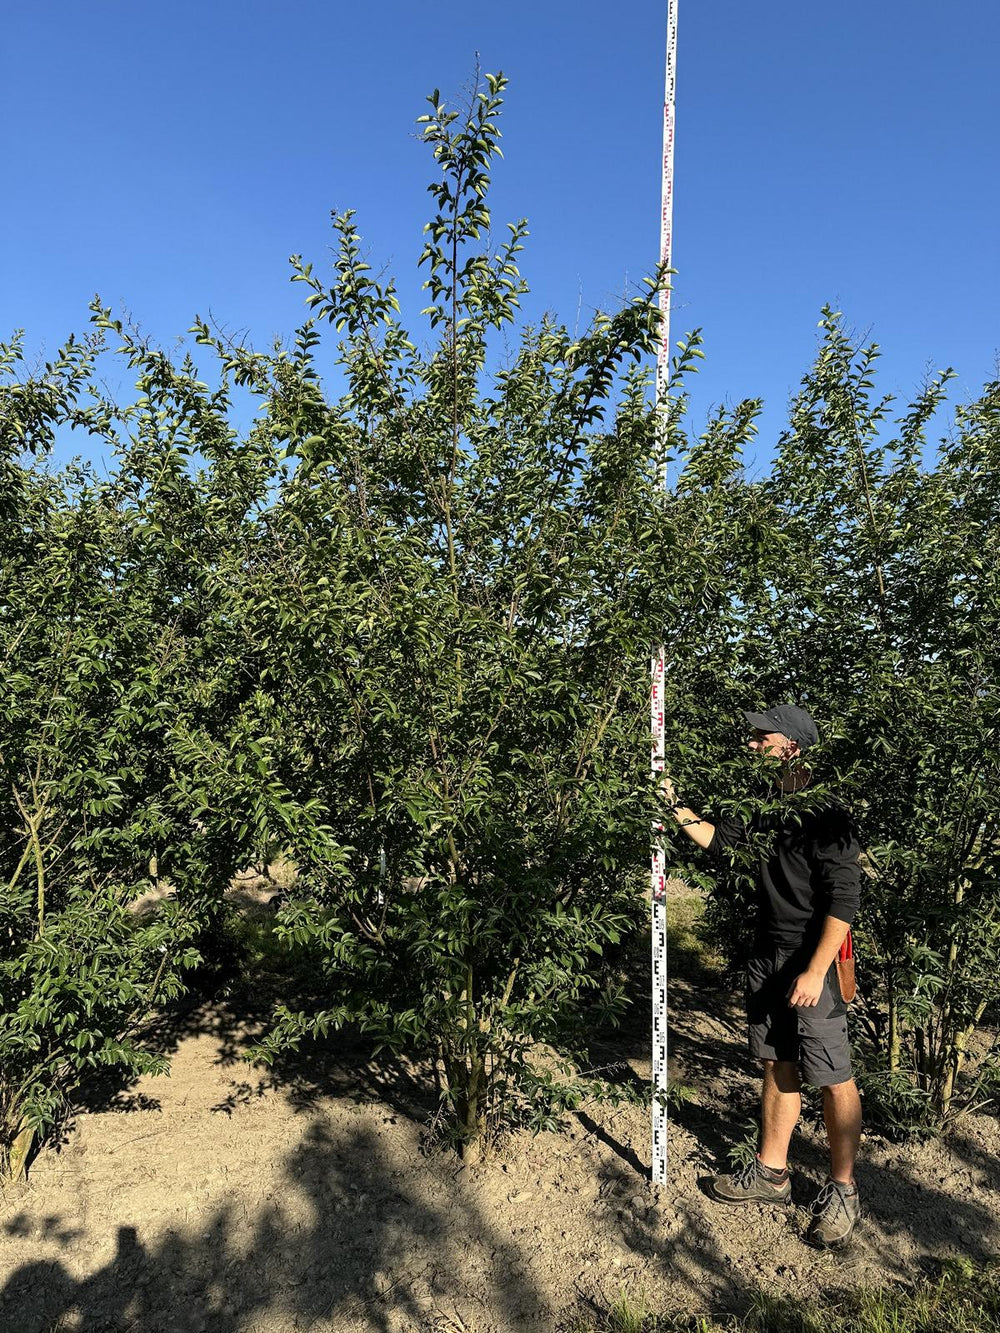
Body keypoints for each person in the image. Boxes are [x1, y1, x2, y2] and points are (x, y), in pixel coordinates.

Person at [662, 704, 863, 1250]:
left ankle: (844, 1191)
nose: (751, 745)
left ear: (792, 746)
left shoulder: (827, 814)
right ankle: (771, 1173)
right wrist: (671, 802)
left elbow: (844, 900)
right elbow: (719, 842)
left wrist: (816, 970)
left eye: (762, 738)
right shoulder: (757, 805)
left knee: (833, 1073)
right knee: (778, 1062)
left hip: (810, 958)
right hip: (766, 954)